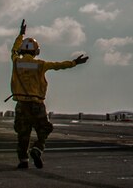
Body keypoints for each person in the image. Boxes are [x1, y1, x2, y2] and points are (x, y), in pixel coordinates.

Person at [9, 19, 88, 170]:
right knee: (45, 128)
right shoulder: (41, 64)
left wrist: (20, 35)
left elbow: (13, 50)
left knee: (23, 134)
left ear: (21, 51)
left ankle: (23, 160)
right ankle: (37, 149)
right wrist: (74, 63)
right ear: (35, 51)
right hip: (37, 104)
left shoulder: (15, 62)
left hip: (21, 104)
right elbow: (59, 65)